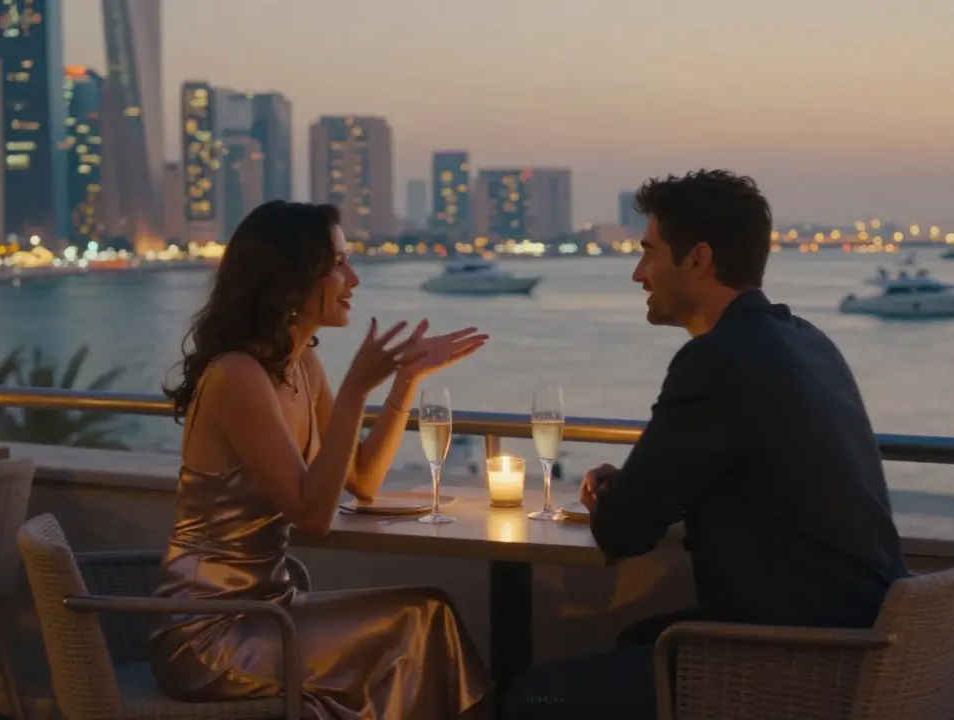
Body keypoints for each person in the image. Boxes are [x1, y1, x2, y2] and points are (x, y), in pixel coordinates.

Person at [503, 171, 908, 719]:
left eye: (648, 252)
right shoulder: (806, 341)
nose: (637, 274)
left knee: (533, 700)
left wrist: (613, 495)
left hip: (796, 665)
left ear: (696, 259)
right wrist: (638, 490)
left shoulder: (717, 361)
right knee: (641, 640)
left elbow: (622, 530)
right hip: (865, 645)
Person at [153, 201, 492, 719]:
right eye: (337, 264)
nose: (352, 278)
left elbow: (363, 480)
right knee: (419, 624)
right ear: (288, 279)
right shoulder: (236, 376)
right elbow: (313, 515)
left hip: (270, 611)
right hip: (210, 632)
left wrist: (405, 380)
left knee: (430, 614)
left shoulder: (300, 363)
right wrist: (357, 386)